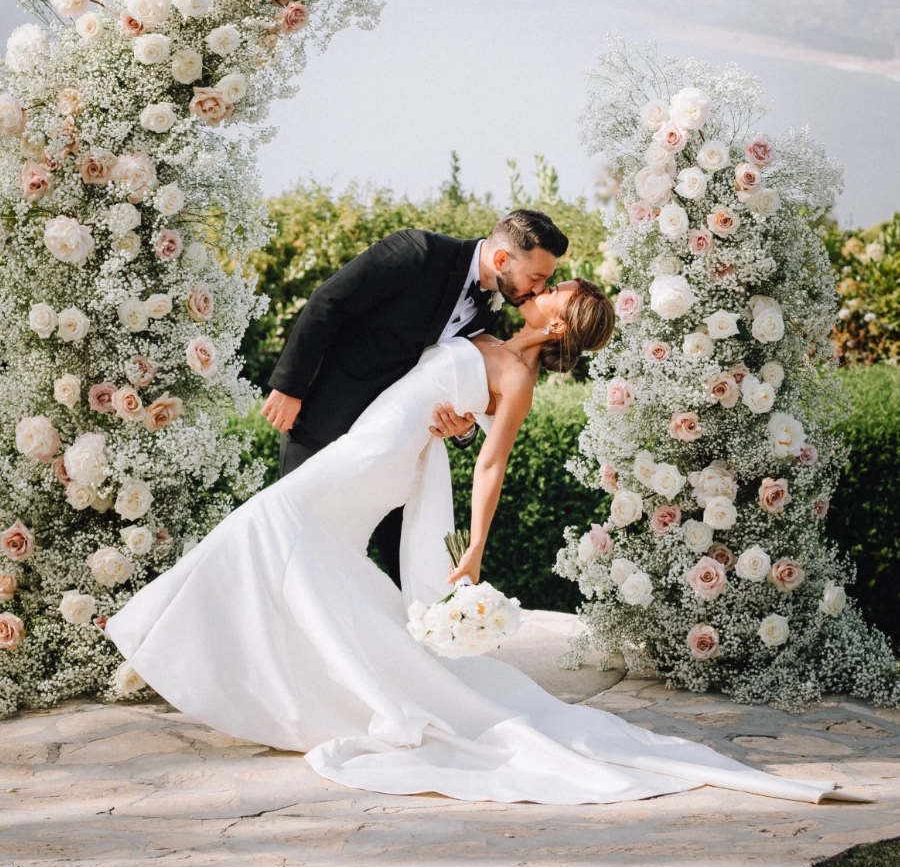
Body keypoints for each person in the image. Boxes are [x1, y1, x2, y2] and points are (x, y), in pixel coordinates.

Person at [106, 281, 857, 806]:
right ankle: (275, 672)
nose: (548, 290)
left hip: (378, 459)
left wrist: (473, 552)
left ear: (560, 325)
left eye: (558, 294)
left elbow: (492, 465)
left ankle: (164, 637)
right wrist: (452, 412)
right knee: (298, 547)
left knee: (267, 523)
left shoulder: (520, 376)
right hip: (376, 437)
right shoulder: (484, 332)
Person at [262, 209, 569, 586]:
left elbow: (455, 383)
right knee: (294, 534)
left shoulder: (490, 315)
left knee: (402, 564)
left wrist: (462, 430)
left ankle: (413, 631)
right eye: (536, 278)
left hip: (399, 447)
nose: (538, 289)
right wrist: (290, 386)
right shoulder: (418, 252)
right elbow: (330, 300)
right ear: (502, 259)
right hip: (327, 416)